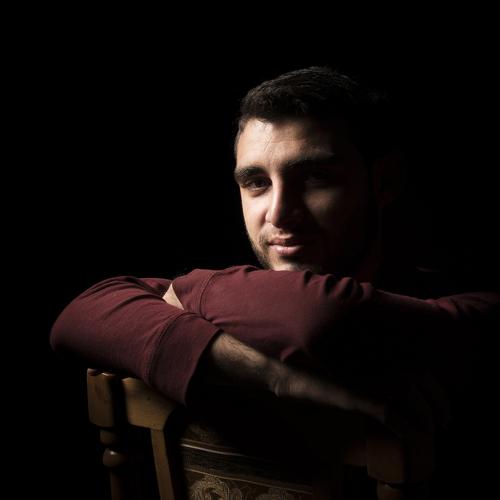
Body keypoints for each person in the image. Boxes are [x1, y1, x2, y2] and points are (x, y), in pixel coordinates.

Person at [51, 66, 499, 498]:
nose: (280, 213)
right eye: (257, 183)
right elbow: (78, 317)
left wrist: (187, 290)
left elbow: (321, 315)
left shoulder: (469, 309)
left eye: (317, 178)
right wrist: (273, 376)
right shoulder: (238, 305)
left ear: (384, 182)